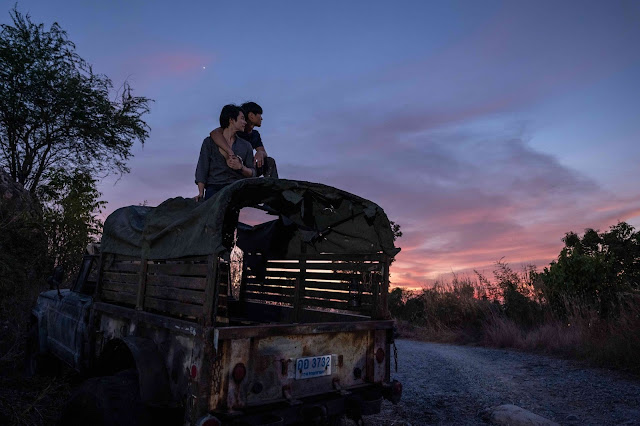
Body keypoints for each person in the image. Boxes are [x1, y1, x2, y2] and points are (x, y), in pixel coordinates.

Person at [195, 104, 255, 201]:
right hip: (214, 187)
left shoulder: (246, 145)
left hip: (236, 187)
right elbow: (202, 167)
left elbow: (253, 172)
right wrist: (200, 193)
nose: (245, 122)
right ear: (231, 120)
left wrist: (241, 167)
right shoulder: (209, 142)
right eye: (242, 118)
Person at [209, 101, 277, 177]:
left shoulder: (255, 134)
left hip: (249, 167)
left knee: (269, 162)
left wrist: (260, 153)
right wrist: (230, 152)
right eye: (259, 115)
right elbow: (214, 133)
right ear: (251, 115)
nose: (261, 118)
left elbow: (263, 152)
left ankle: (274, 186)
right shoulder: (236, 128)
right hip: (233, 164)